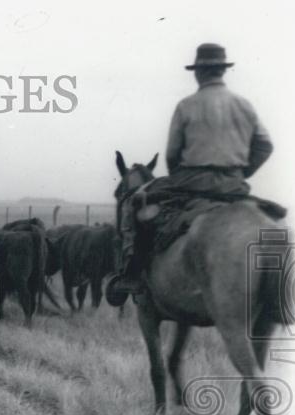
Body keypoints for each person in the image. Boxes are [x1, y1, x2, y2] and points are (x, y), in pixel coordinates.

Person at [111, 43, 274, 295]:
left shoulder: (186, 106)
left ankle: (132, 275)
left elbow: (172, 154)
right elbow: (265, 145)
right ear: (222, 70)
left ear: (198, 72)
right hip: (234, 185)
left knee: (137, 204)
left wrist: (180, 178)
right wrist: (242, 172)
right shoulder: (244, 105)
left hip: (192, 181)